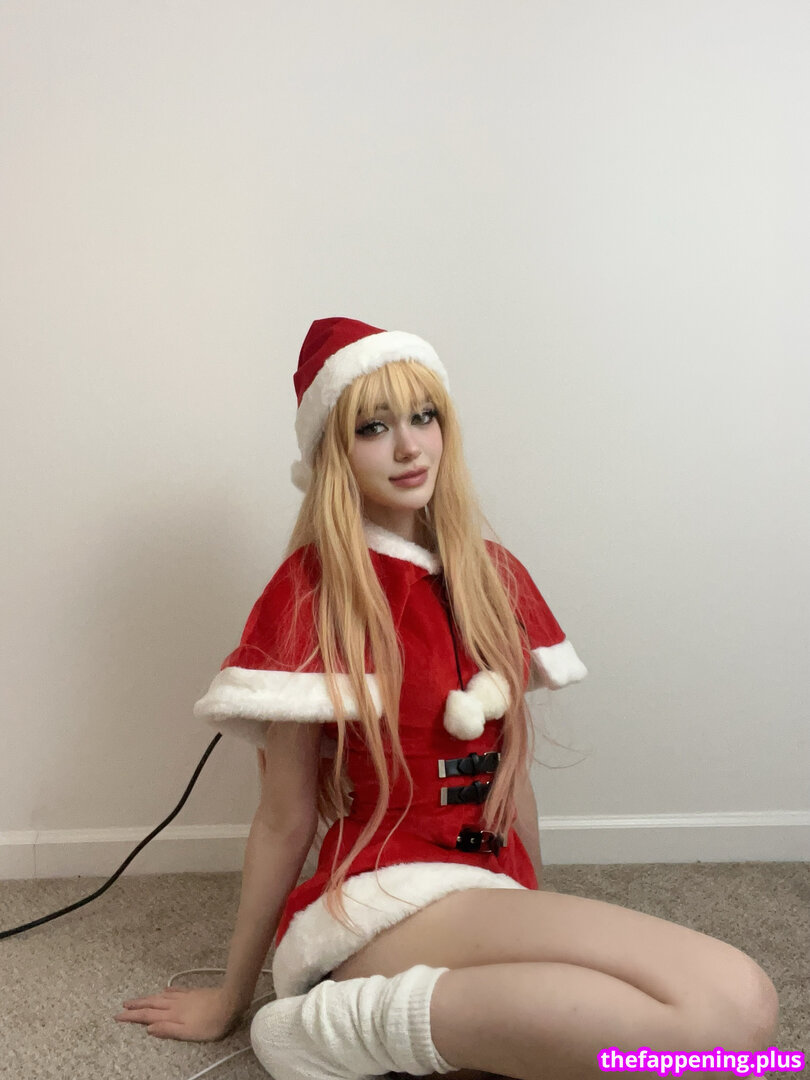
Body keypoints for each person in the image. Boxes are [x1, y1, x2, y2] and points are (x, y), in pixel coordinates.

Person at [115, 317, 779, 1079]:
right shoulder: (313, 591)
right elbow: (283, 818)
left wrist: (529, 911)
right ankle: (311, 1030)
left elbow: (512, 784)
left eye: (423, 417)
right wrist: (232, 994)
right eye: (373, 428)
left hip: (481, 886)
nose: (409, 447)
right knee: (719, 1020)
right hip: (377, 897)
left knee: (744, 1004)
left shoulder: (493, 574)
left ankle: (405, 1027)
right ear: (333, 453)